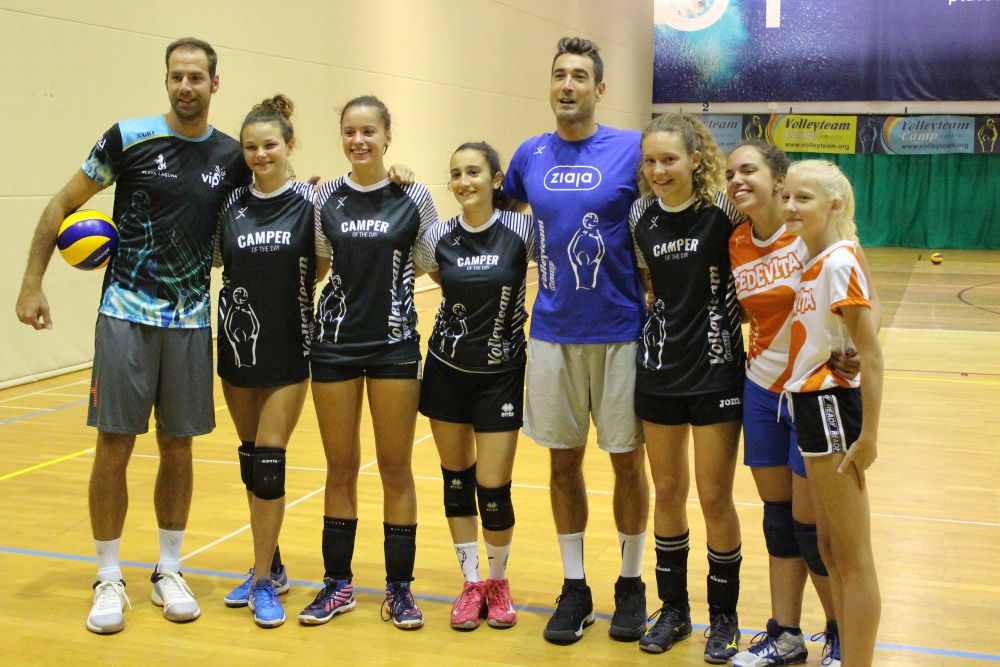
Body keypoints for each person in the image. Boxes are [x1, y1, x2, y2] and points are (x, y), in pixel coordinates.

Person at [14, 37, 250, 634]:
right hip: (124, 316)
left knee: (178, 447)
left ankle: (169, 569)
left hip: (191, 322)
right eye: (176, 76)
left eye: (196, 76)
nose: (185, 86)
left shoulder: (232, 156)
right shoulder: (127, 138)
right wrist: (31, 284)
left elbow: (278, 198)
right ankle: (108, 575)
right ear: (166, 80)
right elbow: (61, 204)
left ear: (215, 83)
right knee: (114, 446)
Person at [503, 36, 650, 645]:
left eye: (580, 76)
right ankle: (575, 588)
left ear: (600, 89)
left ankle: (631, 584)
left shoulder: (632, 149)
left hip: (620, 331)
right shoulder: (529, 155)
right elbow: (493, 202)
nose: (568, 85)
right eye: (560, 74)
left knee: (627, 462)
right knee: (562, 463)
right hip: (552, 332)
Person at [299, 95, 438, 630]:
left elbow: (429, 262)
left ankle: (399, 589)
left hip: (394, 343)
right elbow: (317, 268)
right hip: (333, 342)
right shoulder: (324, 198)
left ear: (387, 137)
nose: (358, 141)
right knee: (339, 467)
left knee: (395, 467)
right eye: (349, 132)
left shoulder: (414, 195)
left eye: (368, 132)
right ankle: (338, 584)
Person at [727, 141, 856, 666]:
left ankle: (840, 631)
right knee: (778, 522)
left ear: (777, 180)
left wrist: (854, 353)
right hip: (760, 389)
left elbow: (856, 300)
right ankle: (785, 634)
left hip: (811, 392)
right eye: (731, 173)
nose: (737, 180)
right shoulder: (736, 241)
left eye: (748, 170)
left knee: (810, 527)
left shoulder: (808, 233)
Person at [627, 113, 745, 662]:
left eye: (669, 159)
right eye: (650, 161)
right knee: (668, 491)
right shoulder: (640, 215)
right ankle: (674, 610)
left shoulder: (723, 209)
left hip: (717, 370)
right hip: (659, 371)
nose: (658, 170)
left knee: (715, 496)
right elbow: (648, 282)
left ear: (695, 160)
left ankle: (724, 617)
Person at [413, 142, 533, 631]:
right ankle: (470, 583)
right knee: (457, 481)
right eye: (456, 174)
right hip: (447, 369)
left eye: (474, 172)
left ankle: (498, 582)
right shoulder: (438, 235)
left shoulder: (523, 230)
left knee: (494, 487)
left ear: (496, 179)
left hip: (501, 374)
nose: (464, 182)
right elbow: (431, 273)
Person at [215, 95, 317, 628]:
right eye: (251, 147)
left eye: (270, 145)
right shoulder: (230, 205)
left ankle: (260, 583)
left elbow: (325, 260)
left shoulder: (311, 202)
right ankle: (270, 566)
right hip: (235, 347)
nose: (260, 155)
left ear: (289, 146)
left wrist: (402, 176)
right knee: (251, 460)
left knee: (271, 461)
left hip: (288, 346)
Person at [781, 160, 883, 666]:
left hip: (831, 407)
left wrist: (869, 437)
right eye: (787, 196)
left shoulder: (840, 261)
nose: (790, 206)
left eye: (804, 198)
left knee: (852, 556)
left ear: (834, 204)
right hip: (810, 405)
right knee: (828, 547)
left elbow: (871, 354)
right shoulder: (815, 259)